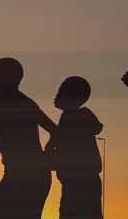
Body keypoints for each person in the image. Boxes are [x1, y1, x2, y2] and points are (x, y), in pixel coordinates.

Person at [0, 58, 57, 219]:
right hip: (17, 171)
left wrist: (48, 150)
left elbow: (54, 131)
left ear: (7, 81)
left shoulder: (21, 103)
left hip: (28, 175)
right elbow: (7, 137)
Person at [52, 76, 103, 219]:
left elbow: (66, 148)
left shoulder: (74, 117)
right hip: (75, 182)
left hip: (79, 182)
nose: (57, 93)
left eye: (62, 90)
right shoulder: (72, 117)